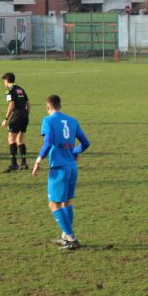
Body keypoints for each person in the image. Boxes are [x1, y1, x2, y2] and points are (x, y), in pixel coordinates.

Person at [31, 95, 91, 251]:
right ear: (60, 105)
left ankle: (72, 239)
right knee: (66, 202)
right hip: (72, 168)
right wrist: (75, 152)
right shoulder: (72, 120)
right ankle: (65, 235)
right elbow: (86, 143)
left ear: (47, 107)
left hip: (59, 168)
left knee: (54, 203)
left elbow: (48, 142)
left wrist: (38, 160)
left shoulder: (48, 120)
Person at [0, 72, 30, 173]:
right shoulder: (20, 88)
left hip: (16, 116)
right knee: (20, 139)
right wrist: (26, 114)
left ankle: (13, 164)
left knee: (11, 139)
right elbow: (28, 103)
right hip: (24, 115)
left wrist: (6, 119)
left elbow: (11, 104)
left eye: (4, 81)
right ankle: (24, 163)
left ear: (6, 80)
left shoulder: (9, 90)